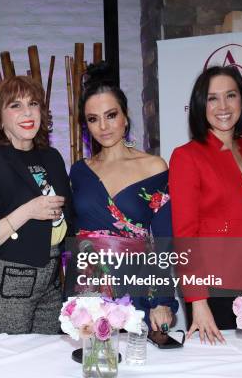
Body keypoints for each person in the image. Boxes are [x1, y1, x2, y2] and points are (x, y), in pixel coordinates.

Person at [169, 66, 242, 344]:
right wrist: (197, 301)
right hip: (214, 289)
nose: (222, 106)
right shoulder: (187, 156)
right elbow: (185, 235)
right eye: (212, 98)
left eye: (230, 95)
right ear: (201, 105)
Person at [68, 62, 178, 331]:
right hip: (87, 286)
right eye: (93, 119)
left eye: (111, 115)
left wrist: (162, 299)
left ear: (125, 117)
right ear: (86, 126)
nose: (103, 126)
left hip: (136, 284)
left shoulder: (154, 167)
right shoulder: (80, 171)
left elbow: (163, 241)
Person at [0, 75, 72, 335]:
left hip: (51, 279)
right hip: (6, 280)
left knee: (45, 365)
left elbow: (70, 217)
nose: (27, 112)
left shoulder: (52, 157)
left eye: (33, 103)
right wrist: (28, 211)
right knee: (5, 367)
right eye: (15, 105)